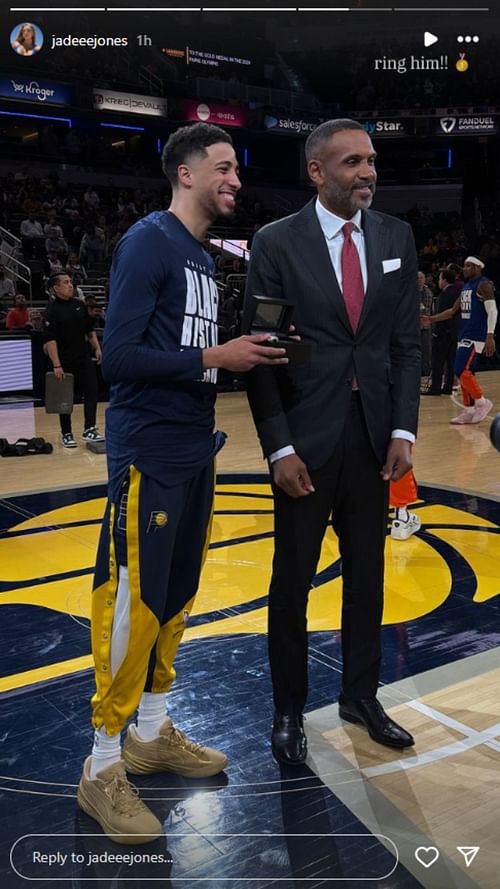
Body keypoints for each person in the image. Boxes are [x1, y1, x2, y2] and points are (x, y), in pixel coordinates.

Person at [76, 123, 288, 844]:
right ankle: (102, 767)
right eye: (223, 168)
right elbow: (121, 359)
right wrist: (216, 354)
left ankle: (153, 729)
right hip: (148, 453)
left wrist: (240, 356)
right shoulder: (147, 242)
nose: (235, 180)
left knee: (175, 599)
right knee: (134, 605)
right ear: (186, 172)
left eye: (237, 170)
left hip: (194, 449)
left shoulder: (200, 255)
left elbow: (192, 355)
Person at [243, 119, 421, 765]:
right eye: (352, 162)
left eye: (371, 160)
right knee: (291, 585)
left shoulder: (397, 236)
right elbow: (260, 353)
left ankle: (360, 696)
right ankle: (289, 710)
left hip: (374, 438)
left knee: (368, 580)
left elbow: (405, 345)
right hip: (304, 445)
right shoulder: (275, 242)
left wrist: (403, 427)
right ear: (317, 171)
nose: (368, 172)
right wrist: (278, 448)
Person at [425, 256, 497, 424]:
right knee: (467, 373)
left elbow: (493, 311)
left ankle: (481, 402)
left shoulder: (483, 284)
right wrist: (431, 319)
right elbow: (452, 311)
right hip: (464, 333)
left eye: (468, 266)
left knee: (460, 370)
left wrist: (490, 335)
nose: (464, 269)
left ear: (478, 268)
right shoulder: (467, 286)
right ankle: (469, 409)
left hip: (476, 335)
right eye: (464, 266)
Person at [43, 273, 104, 447]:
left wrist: (97, 348)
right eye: (66, 282)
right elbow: (50, 340)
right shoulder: (51, 311)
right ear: (56, 288)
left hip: (83, 357)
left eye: (71, 282)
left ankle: (89, 428)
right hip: (64, 361)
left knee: (92, 390)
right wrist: (57, 365)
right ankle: (67, 433)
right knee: (65, 397)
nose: (71, 285)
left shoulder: (79, 305)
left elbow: (89, 330)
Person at [424, 267, 460, 396]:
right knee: (451, 361)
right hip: (454, 331)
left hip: (443, 332)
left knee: (437, 361)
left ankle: (435, 387)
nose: (439, 282)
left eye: (439, 278)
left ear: (444, 279)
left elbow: (444, 315)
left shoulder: (445, 294)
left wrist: (434, 327)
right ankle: (448, 386)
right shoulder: (457, 292)